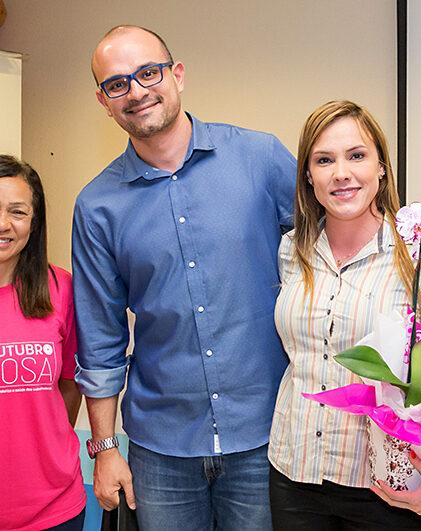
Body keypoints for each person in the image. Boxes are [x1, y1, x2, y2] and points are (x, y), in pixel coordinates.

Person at [72, 25, 296, 529]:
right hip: (160, 450)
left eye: (147, 73)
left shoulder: (260, 159)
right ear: (104, 101)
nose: (136, 91)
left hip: (264, 432)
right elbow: (100, 340)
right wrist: (106, 449)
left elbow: (338, 240)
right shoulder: (96, 206)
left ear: (177, 74)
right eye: (117, 84)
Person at [267, 100, 421, 529]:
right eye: (324, 160)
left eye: (357, 156)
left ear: (381, 166)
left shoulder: (419, 258)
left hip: (383, 485)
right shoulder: (293, 251)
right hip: (293, 470)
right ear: (309, 175)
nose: (341, 173)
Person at [0, 156, 86, 530]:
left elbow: (71, 383)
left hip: (53, 507)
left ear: (33, 224)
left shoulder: (60, 289)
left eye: (17, 211)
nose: (3, 224)